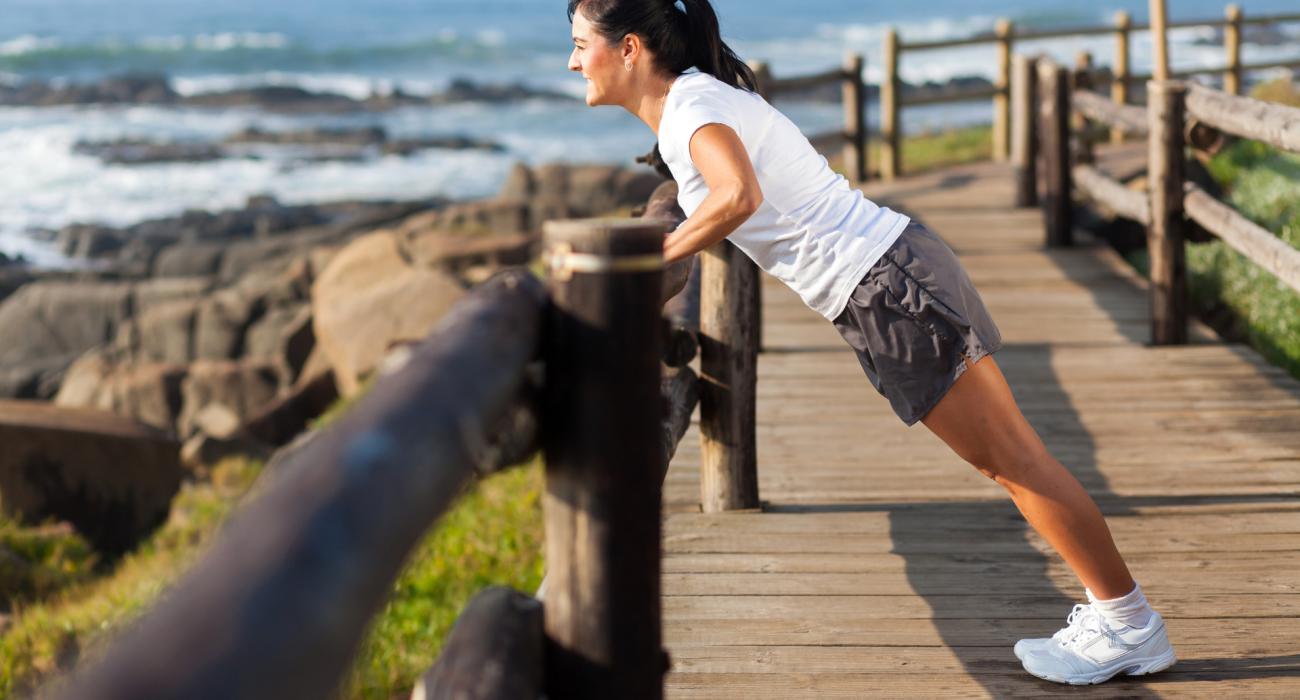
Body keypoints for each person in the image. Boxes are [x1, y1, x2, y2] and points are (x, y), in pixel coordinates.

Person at [566, 0, 1176, 685]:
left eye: (580, 43)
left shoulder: (689, 110)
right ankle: (1120, 616)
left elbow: (737, 195)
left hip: (887, 285)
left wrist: (651, 264)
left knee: (1014, 460)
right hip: (887, 279)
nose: (572, 60)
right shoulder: (695, 103)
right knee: (1011, 459)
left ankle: (1127, 623)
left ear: (629, 49)